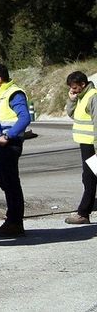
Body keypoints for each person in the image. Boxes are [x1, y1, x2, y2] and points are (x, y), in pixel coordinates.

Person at [0, 61, 33, 237]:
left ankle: (15, 223)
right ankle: (11, 221)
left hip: (7, 146)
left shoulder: (13, 93)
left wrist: (8, 136)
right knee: (6, 183)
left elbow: (24, 118)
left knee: (11, 184)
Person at [63, 71, 96, 225]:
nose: (73, 90)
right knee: (89, 177)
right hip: (86, 144)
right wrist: (71, 100)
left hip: (92, 145)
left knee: (89, 178)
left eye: (75, 87)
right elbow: (73, 115)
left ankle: (83, 213)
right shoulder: (82, 96)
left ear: (83, 84)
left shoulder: (93, 97)